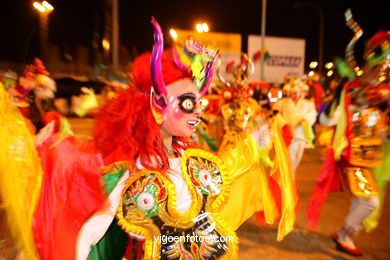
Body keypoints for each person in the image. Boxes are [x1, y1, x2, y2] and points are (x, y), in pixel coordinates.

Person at [273, 80, 317, 177]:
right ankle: (288, 183)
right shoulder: (283, 103)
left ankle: (290, 181)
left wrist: (301, 119)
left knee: (296, 160)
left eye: (297, 93)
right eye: (292, 93)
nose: (295, 95)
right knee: (289, 161)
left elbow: (312, 115)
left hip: (300, 135)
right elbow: (275, 113)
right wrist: (284, 124)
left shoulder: (308, 104)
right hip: (287, 135)